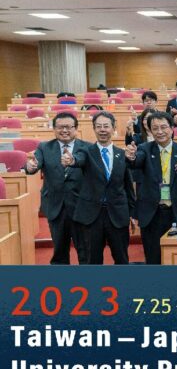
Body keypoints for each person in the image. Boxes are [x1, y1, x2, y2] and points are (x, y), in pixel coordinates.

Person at [61, 111, 135, 264]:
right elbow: (79, 159)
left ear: (113, 128)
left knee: (122, 259)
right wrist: (72, 160)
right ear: (94, 129)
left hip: (117, 214)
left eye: (106, 126)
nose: (102, 130)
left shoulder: (122, 154)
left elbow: (128, 187)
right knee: (92, 261)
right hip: (91, 216)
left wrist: (132, 214)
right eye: (99, 126)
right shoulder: (86, 151)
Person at [125, 112, 177, 264]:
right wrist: (131, 157)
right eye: (155, 128)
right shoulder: (144, 149)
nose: (159, 131)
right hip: (152, 215)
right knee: (153, 260)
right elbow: (136, 161)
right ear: (150, 130)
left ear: (172, 128)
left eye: (163, 127)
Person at [25, 112, 89, 264]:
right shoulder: (44, 147)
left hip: (81, 206)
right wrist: (30, 166)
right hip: (55, 206)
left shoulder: (87, 147)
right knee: (59, 251)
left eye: (68, 127)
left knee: (85, 250)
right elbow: (34, 164)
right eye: (60, 127)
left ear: (76, 128)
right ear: (54, 129)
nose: (64, 130)